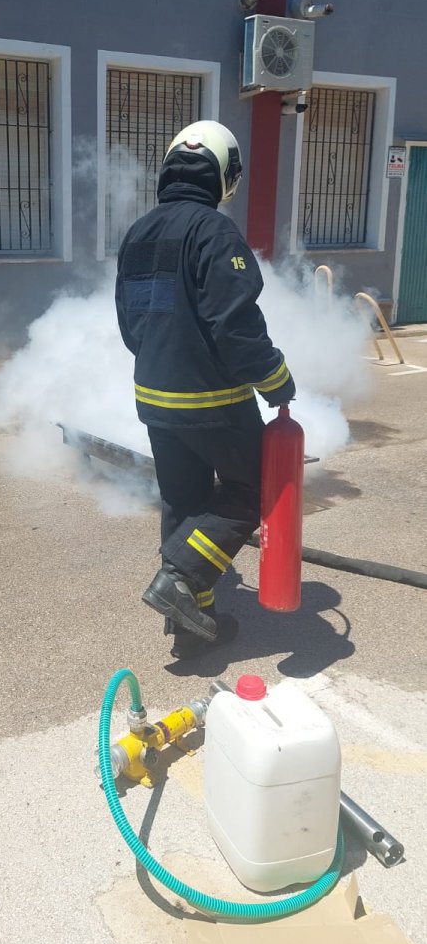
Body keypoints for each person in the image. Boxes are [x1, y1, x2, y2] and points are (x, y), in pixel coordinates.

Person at [115, 120, 295, 660]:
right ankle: (179, 578)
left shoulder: (139, 234)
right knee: (254, 493)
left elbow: (131, 323)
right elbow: (235, 325)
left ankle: (193, 626)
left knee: (184, 503)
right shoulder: (214, 232)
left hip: (155, 398)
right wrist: (276, 378)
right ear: (225, 176)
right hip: (213, 401)